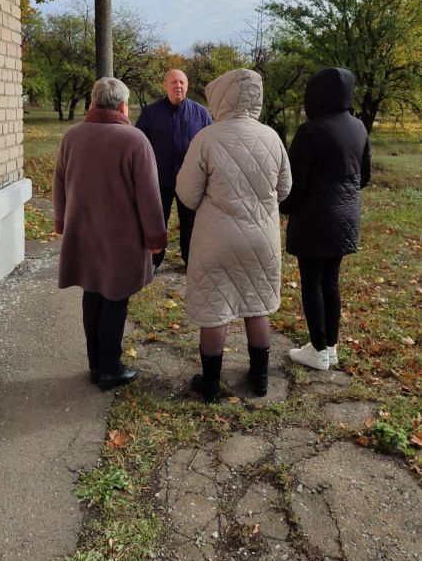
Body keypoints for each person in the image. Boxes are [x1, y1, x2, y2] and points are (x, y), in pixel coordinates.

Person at [176, 68, 292, 402]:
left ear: (220, 97)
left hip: (216, 239)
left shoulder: (207, 138)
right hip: (261, 238)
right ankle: (260, 379)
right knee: (257, 305)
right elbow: (284, 188)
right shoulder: (271, 137)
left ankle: (210, 383)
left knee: (215, 308)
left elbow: (187, 194)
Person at [52, 77, 167, 390]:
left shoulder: (72, 136)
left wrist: (61, 222)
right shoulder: (134, 140)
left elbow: (59, 183)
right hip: (120, 239)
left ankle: (95, 365)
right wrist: (156, 238)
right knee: (115, 299)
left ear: (92, 102)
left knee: (92, 295)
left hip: (82, 233)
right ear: (123, 106)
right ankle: (109, 369)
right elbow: (149, 195)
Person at [279, 67, 371, 370]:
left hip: (314, 219)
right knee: (331, 282)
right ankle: (330, 346)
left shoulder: (310, 131)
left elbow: (294, 183)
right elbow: (364, 176)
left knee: (312, 283)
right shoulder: (359, 127)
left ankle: (318, 350)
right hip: (346, 217)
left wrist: (285, 207)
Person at [136, 69, 212, 270]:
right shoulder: (150, 113)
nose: (178, 86)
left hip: (191, 180)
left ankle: (191, 261)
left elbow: (210, 146)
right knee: (157, 221)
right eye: (173, 82)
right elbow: (138, 145)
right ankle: (154, 261)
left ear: (187, 86)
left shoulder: (202, 113)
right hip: (159, 179)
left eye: (182, 82)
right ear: (165, 86)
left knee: (191, 223)